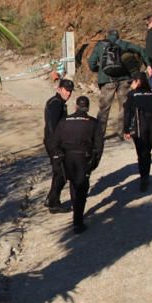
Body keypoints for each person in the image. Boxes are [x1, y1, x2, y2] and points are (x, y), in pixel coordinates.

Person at [87, 29, 149, 145]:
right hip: (124, 79)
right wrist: (147, 65)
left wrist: (100, 70)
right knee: (124, 107)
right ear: (118, 36)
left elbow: (91, 63)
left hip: (107, 80)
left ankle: (99, 135)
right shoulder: (124, 44)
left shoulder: (100, 45)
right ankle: (123, 132)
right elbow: (141, 50)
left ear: (107, 36)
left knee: (104, 108)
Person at [51, 95, 102, 233]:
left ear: (76, 106)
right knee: (81, 189)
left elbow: (55, 142)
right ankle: (78, 222)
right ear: (88, 107)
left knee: (73, 185)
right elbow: (98, 146)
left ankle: (76, 217)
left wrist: (59, 159)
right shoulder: (94, 123)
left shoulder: (64, 121)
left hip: (67, 158)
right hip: (83, 159)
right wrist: (93, 163)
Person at [122, 71, 152, 192]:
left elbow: (128, 114)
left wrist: (126, 129)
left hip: (140, 128)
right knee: (147, 152)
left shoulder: (132, 95)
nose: (130, 85)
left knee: (141, 153)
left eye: (132, 82)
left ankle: (144, 178)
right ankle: (146, 176)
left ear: (138, 81)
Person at [43, 78, 73, 213]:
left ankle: (51, 198)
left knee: (59, 172)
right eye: (67, 91)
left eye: (70, 91)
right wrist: (57, 147)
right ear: (60, 89)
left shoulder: (58, 102)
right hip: (54, 143)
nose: (69, 94)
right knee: (61, 172)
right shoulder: (56, 104)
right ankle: (53, 203)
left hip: (54, 142)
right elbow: (52, 126)